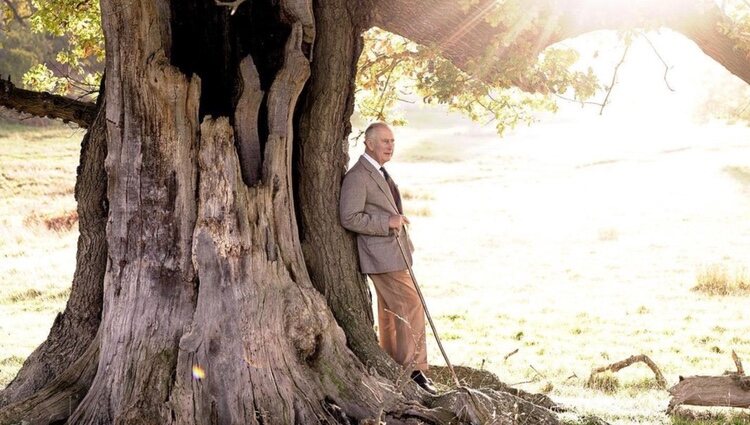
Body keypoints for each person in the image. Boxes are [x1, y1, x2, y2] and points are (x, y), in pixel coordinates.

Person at [339, 122, 437, 394]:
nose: (390, 146)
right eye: (384, 141)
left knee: (392, 311)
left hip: (395, 254)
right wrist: (387, 221)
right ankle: (414, 371)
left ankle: (395, 363)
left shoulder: (379, 172)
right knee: (411, 305)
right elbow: (348, 217)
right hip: (381, 257)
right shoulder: (359, 176)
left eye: (392, 141)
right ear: (369, 143)